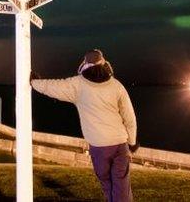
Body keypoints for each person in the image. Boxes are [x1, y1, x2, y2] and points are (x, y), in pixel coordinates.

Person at [31, 49, 138, 202]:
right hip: (120, 144)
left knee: (107, 184)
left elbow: (53, 87)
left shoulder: (78, 85)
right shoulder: (116, 86)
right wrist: (132, 143)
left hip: (99, 147)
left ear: (85, 64)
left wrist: (35, 82)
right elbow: (130, 118)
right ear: (104, 63)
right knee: (121, 186)